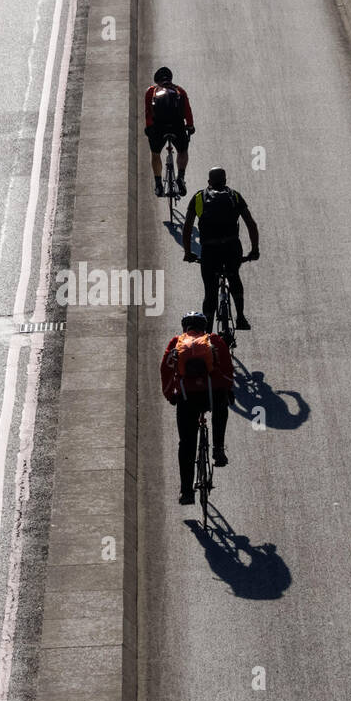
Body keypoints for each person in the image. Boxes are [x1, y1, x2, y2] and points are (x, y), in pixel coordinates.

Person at [161, 311, 235, 504]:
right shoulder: (214, 340)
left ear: (185, 327)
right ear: (204, 327)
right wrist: (227, 389)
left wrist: (171, 395)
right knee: (222, 405)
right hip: (211, 394)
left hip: (187, 399)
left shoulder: (176, 342)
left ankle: (186, 492)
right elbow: (228, 369)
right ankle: (218, 449)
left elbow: (166, 370)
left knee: (186, 444)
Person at [182, 167, 259, 332]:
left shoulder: (198, 197)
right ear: (225, 180)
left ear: (209, 181)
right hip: (232, 248)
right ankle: (241, 318)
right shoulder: (235, 196)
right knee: (234, 276)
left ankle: (207, 332)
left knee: (210, 291)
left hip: (210, 251)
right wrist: (254, 250)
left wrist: (188, 253)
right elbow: (251, 224)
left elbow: (187, 228)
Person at [143, 66, 195, 197]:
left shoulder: (151, 91)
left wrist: (149, 128)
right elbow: (187, 110)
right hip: (177, 126)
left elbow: (148, 113)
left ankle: (159, 185)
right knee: (182, 151)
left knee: (155, 154)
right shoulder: (179, 91)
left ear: (157, 81)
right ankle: (181, 178)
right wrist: (190, 126)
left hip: (158, 127)